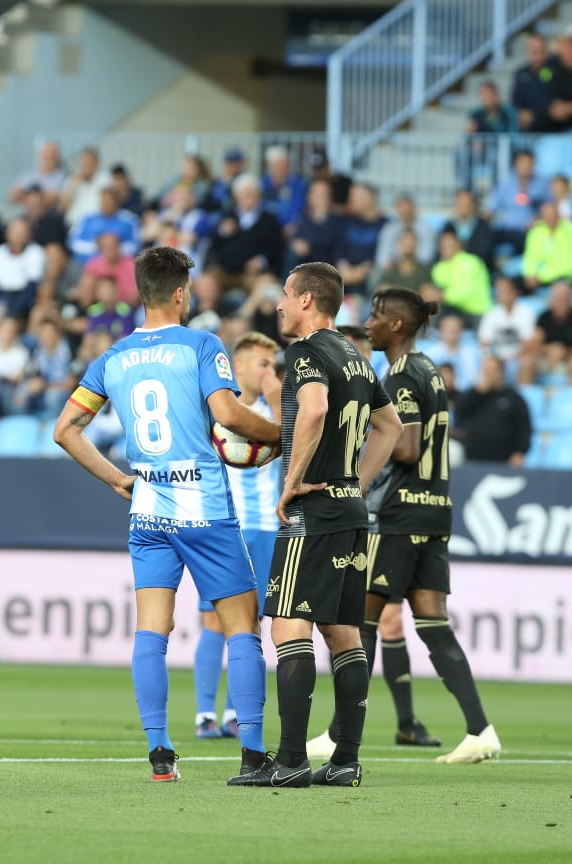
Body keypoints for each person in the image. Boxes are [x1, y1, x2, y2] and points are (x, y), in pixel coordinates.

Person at [52, 246, 280, 784]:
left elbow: (65, 430)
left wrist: (116, 478)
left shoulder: (113, 357)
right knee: (242, 629)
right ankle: (252, 754)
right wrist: (283, 433)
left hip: (148, 508)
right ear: (181, 294)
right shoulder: (203, 345)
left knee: (151, 633)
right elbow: (227, 414)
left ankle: (160, 753)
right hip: (204, 506)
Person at [228, 262, 401, 789]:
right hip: (350, 507)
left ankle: (290, 759)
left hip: (312, 512)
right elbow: (390, 428)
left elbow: (315, 410)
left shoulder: (304, 353)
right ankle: (345, 759)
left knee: (287, 626)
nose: (278, 303)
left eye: (284, 294)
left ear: (306, 300)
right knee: (343, 632)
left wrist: (293, 479)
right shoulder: (354, 355)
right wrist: (353, 481)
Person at [345, 289, 501, 763]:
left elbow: (407, 447)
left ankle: (339, 734)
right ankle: (480, 730)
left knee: (363, 622)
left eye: (375, 316)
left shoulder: (401, 375)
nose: (367, 323)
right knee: (433, 625)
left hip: (399, 514)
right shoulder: (429, 367)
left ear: (396, 326)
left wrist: (357, 450)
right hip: (434, 509)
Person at [193, 331, 281, 740]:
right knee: (213, 619)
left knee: (252, 622)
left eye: (273, 366)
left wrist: (278, 397)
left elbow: (298, 441)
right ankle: (203, 716)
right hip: (227, 525)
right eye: (263, 364)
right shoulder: (219, 411)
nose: (270, 373)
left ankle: (233, 713)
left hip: (267, 527)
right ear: (239, 365)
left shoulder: (277, 412)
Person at [453, 356, 531, 466]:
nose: (488, 374)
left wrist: (520, 452)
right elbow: (460, 412)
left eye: (492, 370)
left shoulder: (514, 398)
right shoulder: (472, 395)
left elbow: (524, 427)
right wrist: (478, 393)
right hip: (472, 459)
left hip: (503, 461)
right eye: (485, 370)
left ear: (501, 372)